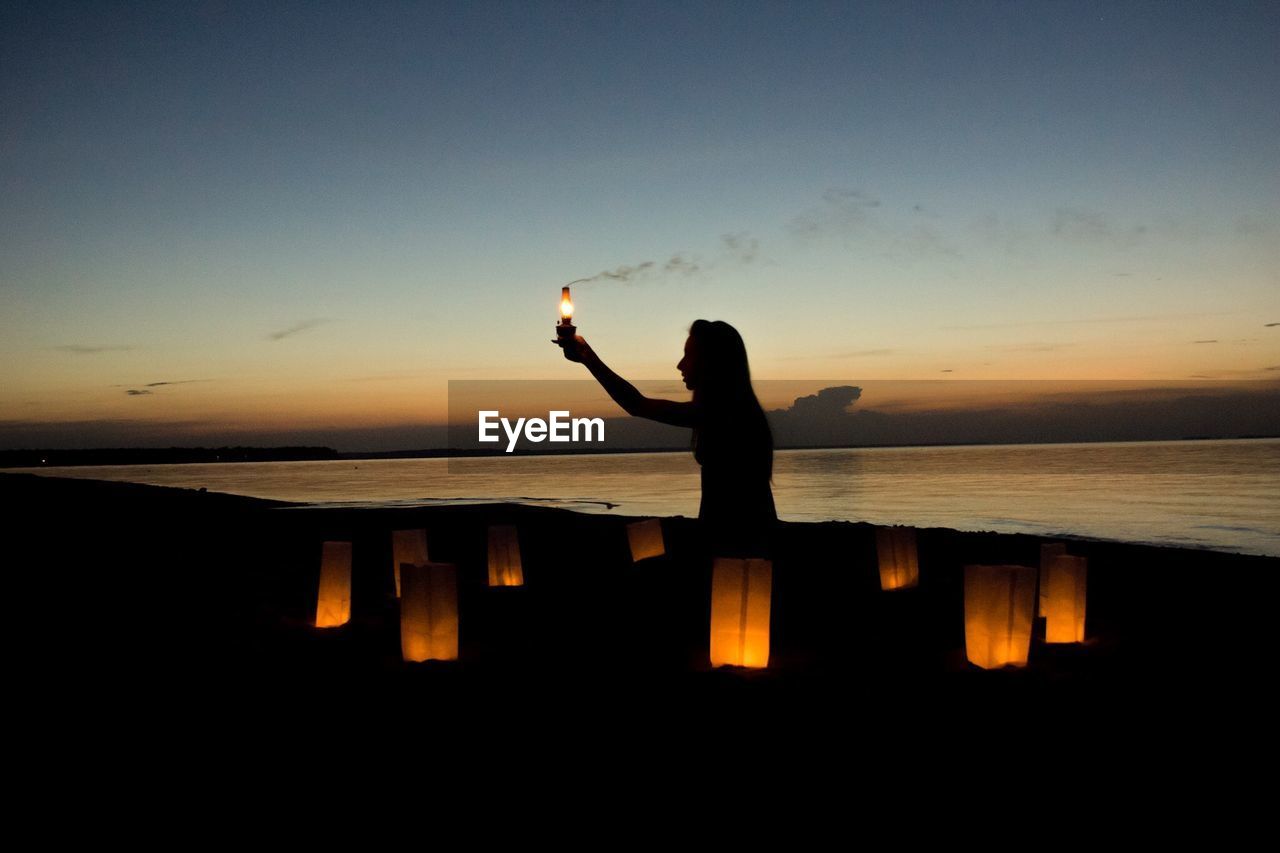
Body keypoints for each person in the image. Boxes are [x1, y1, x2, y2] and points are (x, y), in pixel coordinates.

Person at [554, 319, 776, 557]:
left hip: (740, 547)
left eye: (688, 355)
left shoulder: (725, 414)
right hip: (738, 540)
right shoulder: (735, 411)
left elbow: (636, 404)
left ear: (712, 363)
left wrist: (589, 357)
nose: (680, 365)